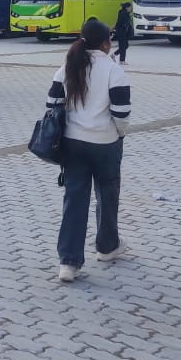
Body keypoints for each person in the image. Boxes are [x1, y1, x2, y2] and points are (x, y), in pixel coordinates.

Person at [46, 18, 132, 282]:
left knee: (74, 199)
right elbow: (121, 112)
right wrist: (119, 133)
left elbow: (52, 102)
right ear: (106, 43)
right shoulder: (113, 69)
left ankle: (68, 263)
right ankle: (107, 247)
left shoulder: (68, 66)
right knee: (107, 196)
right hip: (105, 143)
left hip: (73, 143)